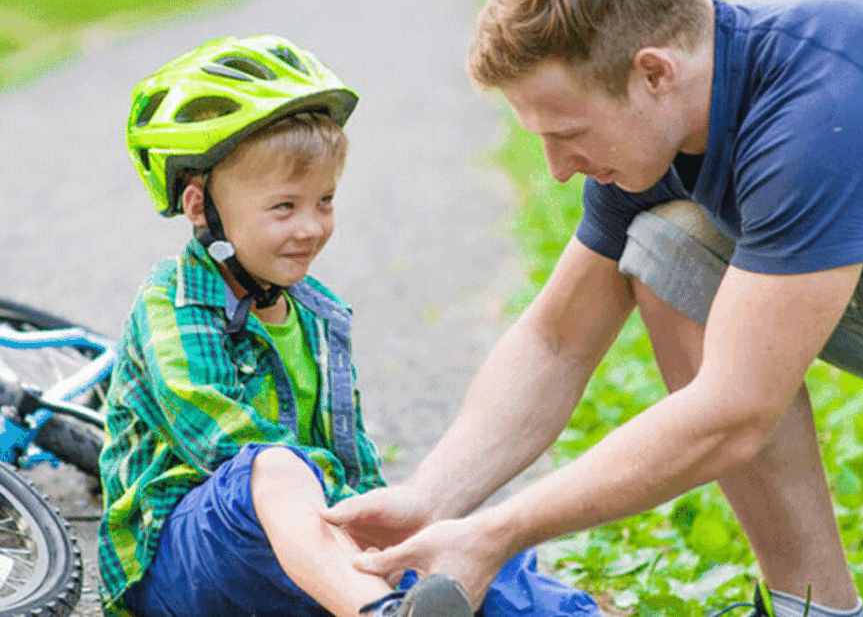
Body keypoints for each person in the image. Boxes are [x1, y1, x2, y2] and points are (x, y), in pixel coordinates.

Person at [323, 0, 863, 617]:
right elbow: (558, 340)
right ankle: (812, 607)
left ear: (653, 72)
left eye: (567, 134)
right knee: (669, 244)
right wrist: (432, 496)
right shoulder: (675, 108)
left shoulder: (816, 116)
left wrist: (496, 533)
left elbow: (734, 410)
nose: (559, 169)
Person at [97, 35, 602, 617]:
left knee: (453, 538)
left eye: (326, 201)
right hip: (186, 567)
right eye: (284, 207)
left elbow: (354, 461)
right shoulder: (174, 302)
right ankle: (380, 610)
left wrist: (395, 527)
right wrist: (352, 519)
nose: (311, 227)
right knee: (275, 466)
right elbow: (223, 441)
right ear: (198, 207)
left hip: (311, 557)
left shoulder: (317, 313)